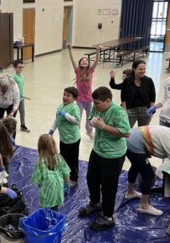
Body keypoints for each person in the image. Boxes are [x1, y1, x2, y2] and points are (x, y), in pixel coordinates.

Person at [78, 86, 130, 230]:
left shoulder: (118, 112)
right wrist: (91, 122)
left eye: (97, 103)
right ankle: (95, 203)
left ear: (108, 101)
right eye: (94, 103)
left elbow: (126, 133)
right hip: (98, 150)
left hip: (113, 155)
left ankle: (108, 216)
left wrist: (103, 126)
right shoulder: (98, 107)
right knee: (91, 179)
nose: (95, 106)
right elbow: (91, 118)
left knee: (108, 187)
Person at [125, 125, 170, 216]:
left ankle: (130, 192)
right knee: (149, 175)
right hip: (134, 143)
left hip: (131, 136)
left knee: (136, 165)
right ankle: (144, 205)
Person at [67, 43, 101, 139]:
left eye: (86, 60)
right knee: (78, 116)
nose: (84, 61)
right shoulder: (77, 71)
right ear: (79, 63)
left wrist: (98, 51)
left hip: (89, 99)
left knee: (89, 116)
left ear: (88, 63)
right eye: (82, 61)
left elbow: (97, 60)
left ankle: (89, 130)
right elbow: (72, 59)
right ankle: (76, 130)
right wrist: (70, 49)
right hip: (79, 99)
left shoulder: (91, 70)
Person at [48, 87, 81, 187]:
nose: (65, 97)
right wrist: (52, 130)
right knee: (63, 158)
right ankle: (64, 175)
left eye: (68, 95)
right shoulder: (60, 106)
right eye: (64, 94)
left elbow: (76, 121)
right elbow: (57, 119)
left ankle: (74, 178)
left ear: (74, 98)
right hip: (63, 139)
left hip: (72, 140)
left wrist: (66, 114)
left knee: (73, 160)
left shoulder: (74, 108)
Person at [31, 134, 70, 210]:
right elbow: (66, 174)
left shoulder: (40, 162)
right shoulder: (59, 158)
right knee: (55, 208)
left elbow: (38, 179)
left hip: (47, 191)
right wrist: (66, 186)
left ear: (40, 147)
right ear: (53, 145)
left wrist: (42, 185)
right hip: (58, 190)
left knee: (46, 210)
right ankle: (55, 218)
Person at [120, 60, 156, 127]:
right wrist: (125, 111)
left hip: (145, 111)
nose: (143, 71)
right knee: (127, 131)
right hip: (130, 110)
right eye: (140, 69)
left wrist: (151, 109)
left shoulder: (149, 81)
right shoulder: (127, 81)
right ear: (134, 69)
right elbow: (123, 97)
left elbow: (152, 97)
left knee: (143, 133)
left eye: (144, 69)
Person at [12, 59, 30, 132]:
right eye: (19, 67)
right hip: (15, 99)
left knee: (22, 112)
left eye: (22, 67)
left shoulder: (22, 76)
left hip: (21, 98)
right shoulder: (13, 77)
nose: (21, 69)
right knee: (14, 114)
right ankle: (11, 126)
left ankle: (23, 125)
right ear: (15, 68)